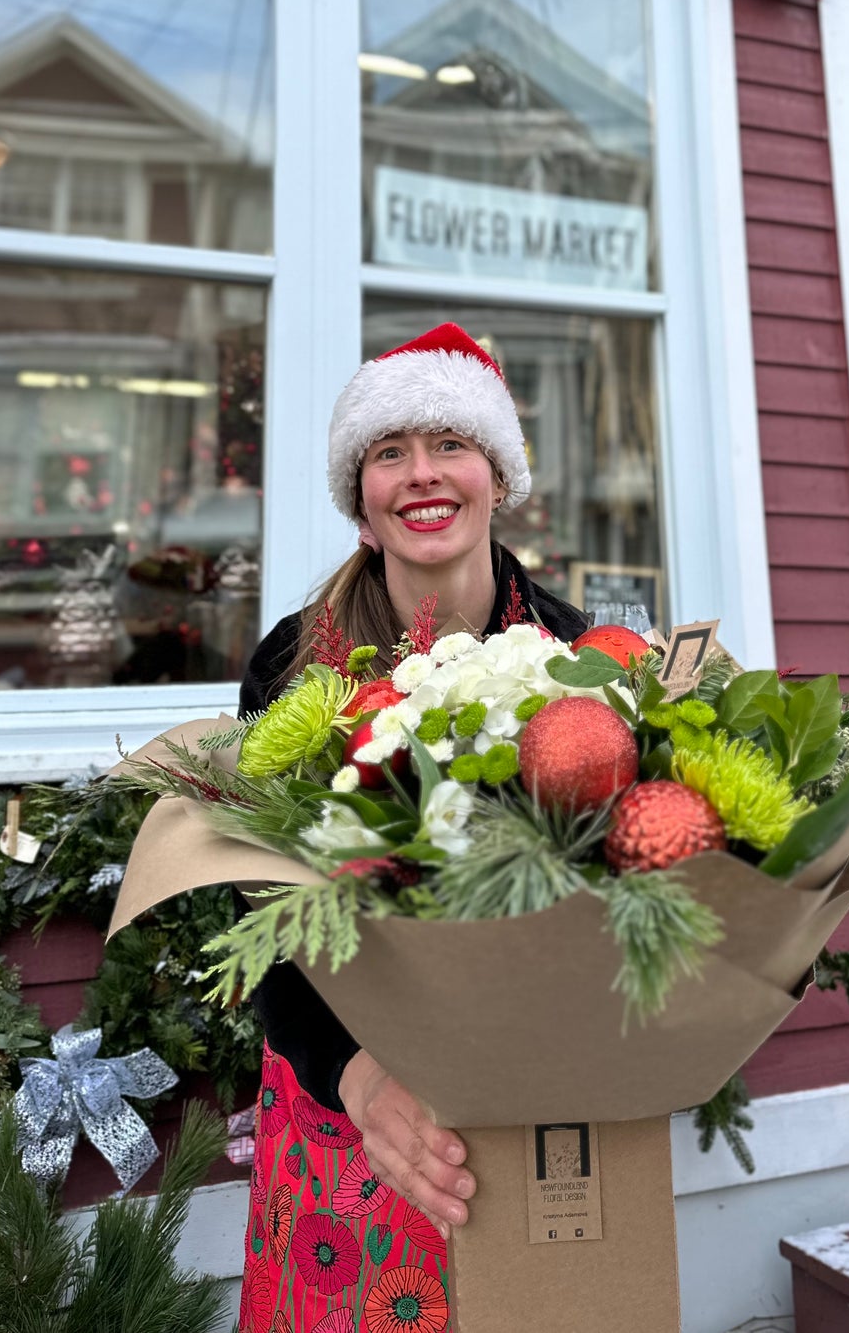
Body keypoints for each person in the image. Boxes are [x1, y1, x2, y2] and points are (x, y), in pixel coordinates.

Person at [235, 323, 587, 1333]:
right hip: (343, 1086)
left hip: (525, 1085)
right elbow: (257, 892)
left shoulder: (575, 652)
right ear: (361, 497)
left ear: (496, 473)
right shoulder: (295, 662)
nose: (421, 474)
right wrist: (356, 1073)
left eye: (450, 444)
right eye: (389, 452)